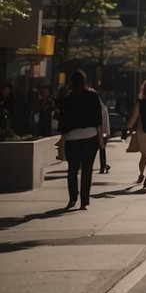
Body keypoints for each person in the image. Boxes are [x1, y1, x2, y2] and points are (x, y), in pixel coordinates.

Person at [57, 71, 103, 210]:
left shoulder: (67, 99)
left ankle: (72, 198)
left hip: (72, 137)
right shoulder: (93, 96)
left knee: (72, 169)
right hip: (90, 135)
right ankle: (84, 200)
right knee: (87, 169)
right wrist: (100, 138)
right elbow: (98, 119)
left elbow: (63, 122)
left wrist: (62, 141)